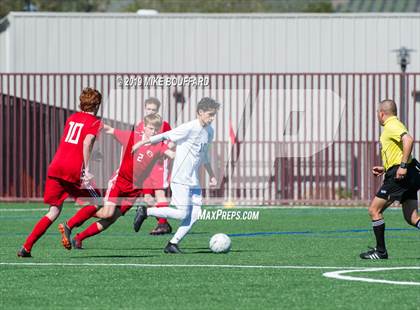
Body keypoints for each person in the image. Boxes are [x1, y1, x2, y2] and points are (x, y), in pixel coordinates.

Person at [58, 113, 175, 250]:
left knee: (110, 219)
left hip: (133, 191)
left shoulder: (159, 146)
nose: (153, 132)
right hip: (119, 182)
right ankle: (69, 224)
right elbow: (109, 130)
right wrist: (93, 124)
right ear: (143, 128)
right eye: (150, 128)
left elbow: (172, 154)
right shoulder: (131, 137)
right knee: (107, 213)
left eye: (156, 130)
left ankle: (79, 238)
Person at [17, 87, 103, 257]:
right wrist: (86, 169)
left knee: (54, 210)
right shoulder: (95, 122)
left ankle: (26, 247)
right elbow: (87, 142)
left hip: (56, 166)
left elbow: (75, 143)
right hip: (73, 169)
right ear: (97, 105)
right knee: (98, 201)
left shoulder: (72, 118)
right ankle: (69, 226)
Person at [132, 97, 220, 254]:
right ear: (200, 112)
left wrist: (211, 175)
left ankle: (172, 244)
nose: (212, 118)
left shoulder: (210, 131)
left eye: (214, 115)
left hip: (193, 179)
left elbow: (204, 155)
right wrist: (141, 143)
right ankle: (146, 211)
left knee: (196, 214)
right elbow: (166, 135)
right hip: (180, 178)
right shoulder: (189, 127)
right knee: (182, 214)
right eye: (210, 114)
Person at [360, 99, 420, 260]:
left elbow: (408, 140)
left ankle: (380, 252)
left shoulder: (392, 125)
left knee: (374, 210)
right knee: (412, 218)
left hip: (401, 174)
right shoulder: (394, 125)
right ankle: (380, 251)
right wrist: (386, 167)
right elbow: (398, 150)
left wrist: (402, 166)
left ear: (381, 114)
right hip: (410, 172)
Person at [105, 97, 173, 235]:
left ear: (158, 110)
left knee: (159, 193)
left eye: (154, 109)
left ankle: (162, 224)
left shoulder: (164, 125)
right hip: (144, 167)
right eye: (149, 109)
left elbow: (172, 141)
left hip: (158, 164)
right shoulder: (140, 124)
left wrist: (165, 149)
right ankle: (162, 222)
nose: (151, 111)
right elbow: (131, 144)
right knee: (147, 197)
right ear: (145, 108)